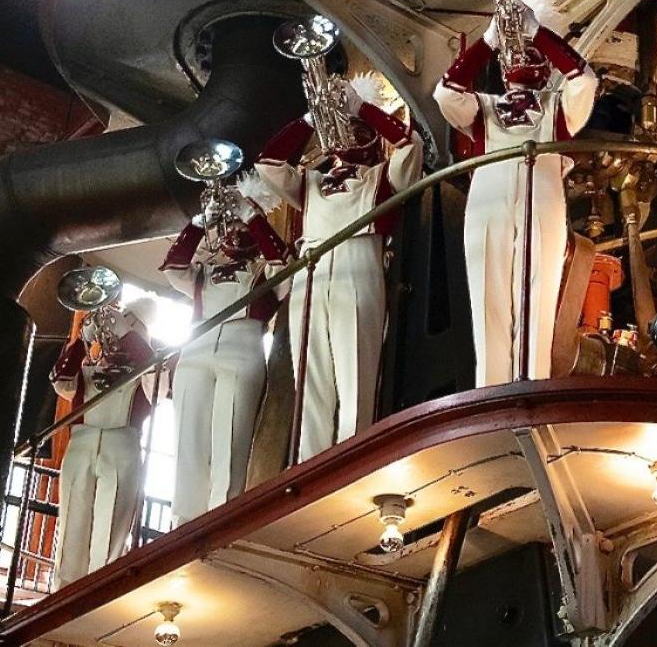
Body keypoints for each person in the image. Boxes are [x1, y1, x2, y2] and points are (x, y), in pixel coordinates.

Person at [253, 71, 425, 461]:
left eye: (357, 129)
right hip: (310, 269)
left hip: (358, 259)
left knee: (355, 373)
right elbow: (268, 164)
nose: (348, 136)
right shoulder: (310, 182)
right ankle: (309, 463)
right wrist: (313, 117)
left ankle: (351, 457)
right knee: (310, 378)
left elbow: (408, 144)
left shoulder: (383, 176)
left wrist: (363, 107)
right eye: (343, 128)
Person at [432, 0, 598, 387]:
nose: (521, 59)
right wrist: (488, 41)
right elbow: (445, 93)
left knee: (536, 304)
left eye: (531, 54)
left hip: (542, 203)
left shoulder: (560, 107)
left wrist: (538, 34)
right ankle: (490, 394)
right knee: (487, 302)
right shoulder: (483, 107)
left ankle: (530, 392)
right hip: (486, 206)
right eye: (513, 53)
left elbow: (585, 78)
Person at [159, 194, 290, 525]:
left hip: (242, 346)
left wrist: (254, 217)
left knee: (231, 441)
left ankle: (221, 521)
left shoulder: (265, 267)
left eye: (238, 223)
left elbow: (285, 270)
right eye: (229, 224)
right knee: (189, 441)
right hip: (196, 348)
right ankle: (182, 523)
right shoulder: (205, 267)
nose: (233, 229)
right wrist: (199, 222)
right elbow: (173, 268)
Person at [50, 300, 158, 588]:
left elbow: (155, 374)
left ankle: (98, 593)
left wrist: (126, 334)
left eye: (131, 325)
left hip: (121, 445)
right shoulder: (88, 368)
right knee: (72, 523)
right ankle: (62, 591)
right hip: (81, 444)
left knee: (109, 534)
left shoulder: (147, 372)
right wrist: (81, 341)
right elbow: (60, 380)